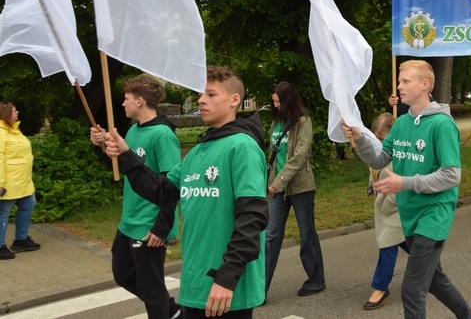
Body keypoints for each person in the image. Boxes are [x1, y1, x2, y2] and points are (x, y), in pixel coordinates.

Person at [105, 66, 268, 318]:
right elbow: (161, 190)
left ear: (234, 100)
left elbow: (252, 218)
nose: (201, 100)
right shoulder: (197, 152)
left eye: (211, 95)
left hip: (226, 288)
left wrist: (226, 278)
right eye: (200, 94)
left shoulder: (242, 148)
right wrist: (127, 156)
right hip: (195, 282)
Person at [342, 60, 471, 319]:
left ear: (425, 85)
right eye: (400, 81)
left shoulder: (441, 125)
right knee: (436, 282)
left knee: (412, 291)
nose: (399, 86)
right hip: (409, 216)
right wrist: (359, 138)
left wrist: (405, 182)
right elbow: (379, 159)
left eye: (406, 81)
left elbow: (452, 175)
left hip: (433, 216)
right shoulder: (402, 122)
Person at [89, 75, 182, 318]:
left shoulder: (163, 135)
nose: (122, 104)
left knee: (152, 292)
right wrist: (99, 147)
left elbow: (172, 186)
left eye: (126, 98)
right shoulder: (132, 130)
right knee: (123, 275)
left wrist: (161, 229)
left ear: (139, 101)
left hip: (149, 225)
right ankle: (172, 311)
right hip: (129, 220)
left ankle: (166, 310)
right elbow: (121, 169)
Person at [265, 81, 325, 298]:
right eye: (274, 102)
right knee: (271, 236)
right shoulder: (276, 123)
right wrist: (270, 182)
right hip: (276, 188)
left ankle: (316, 280)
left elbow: (298, 158)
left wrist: (278, 181)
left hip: (300, 186)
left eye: (278, 101)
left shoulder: (303, 122)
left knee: (307, 233)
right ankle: (259, 289)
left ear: (289, 100)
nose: (276, 105)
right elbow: (272, 156)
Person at [362, 112, 409, 311]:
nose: (377, 142)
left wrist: (390, 199)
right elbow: (374, 171)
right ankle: (432, 271)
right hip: (383, 206)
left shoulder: (400, 152)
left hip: (395, 206)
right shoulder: (377, 150)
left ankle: (381, 289)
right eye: (374, 137)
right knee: (414, 247)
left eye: (381, 138)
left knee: (387, 244)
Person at [0, 101, 41, 260]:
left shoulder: (14, 131)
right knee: (3, 213)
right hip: (8, 182)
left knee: (28, 205)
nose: (17, 113)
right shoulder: (1, 133)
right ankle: (0, 246)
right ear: (6, 114)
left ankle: (21, 240)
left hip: (23, 181)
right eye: (14, 111)